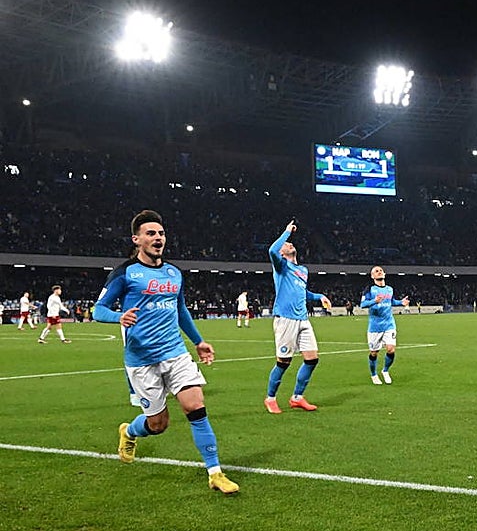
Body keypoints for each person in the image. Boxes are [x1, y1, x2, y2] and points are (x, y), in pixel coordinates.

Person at [92, 209, 239, 495]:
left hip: (176, 353)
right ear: (137, 239)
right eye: (150, 233)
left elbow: (180, 309)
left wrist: (198, 341)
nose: (157, 238)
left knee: (196, 407)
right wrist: (118, 317)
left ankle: (215, 472)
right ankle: (130, 431)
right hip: (142, 360)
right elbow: (98, 309)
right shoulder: (125, 273)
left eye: (160, 233)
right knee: (158, 425)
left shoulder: (174, 273)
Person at [264, 220, 331, 413]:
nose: (290, 244)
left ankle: (297, 397)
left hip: (303, 319)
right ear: (282, 253)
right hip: (285, 319)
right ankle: (270, 398)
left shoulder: (303, 270)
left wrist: (319, 297)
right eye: (286, 245)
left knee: (312, 359)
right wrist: (286, 232)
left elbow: (303, 293)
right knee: (283, 362)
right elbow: (271, 251)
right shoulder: (281, 266)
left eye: (291, 243)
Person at [360, 265, 406, 384]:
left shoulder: (389, 289)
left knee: (391, 350)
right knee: (374, 353)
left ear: (384, 274)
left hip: (389, 324)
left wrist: (401, 302)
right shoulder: (369, 289)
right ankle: (374, 374)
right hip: (375, 326)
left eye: (381, 270)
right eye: (376, 271)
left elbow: (391, 302)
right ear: (372, 276)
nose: (379, 272)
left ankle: (385, 371)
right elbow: (362, 305)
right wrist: (374, 301)